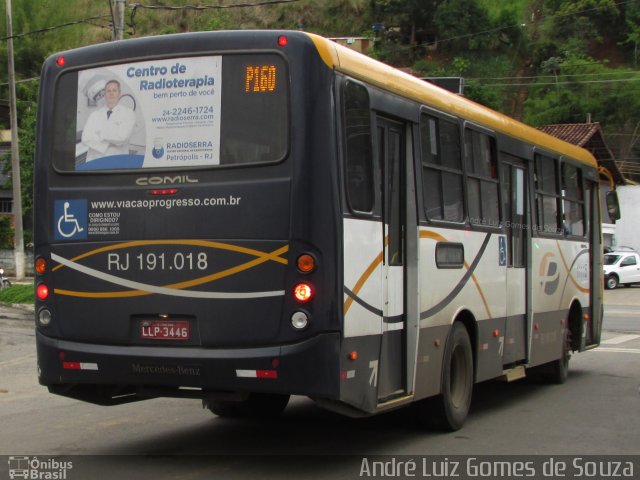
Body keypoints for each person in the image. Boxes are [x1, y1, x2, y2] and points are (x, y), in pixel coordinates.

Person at [81, 79, 136, 162]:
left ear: (119, 93)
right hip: (94, 160)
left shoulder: (128, 113)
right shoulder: (94, 115)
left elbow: (122, 137)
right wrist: (111, 143)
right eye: (108, 91)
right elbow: (85, 138)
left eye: (114, 90)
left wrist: (100, 134)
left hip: (117, 160)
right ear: (105, 94)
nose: (111, 93)